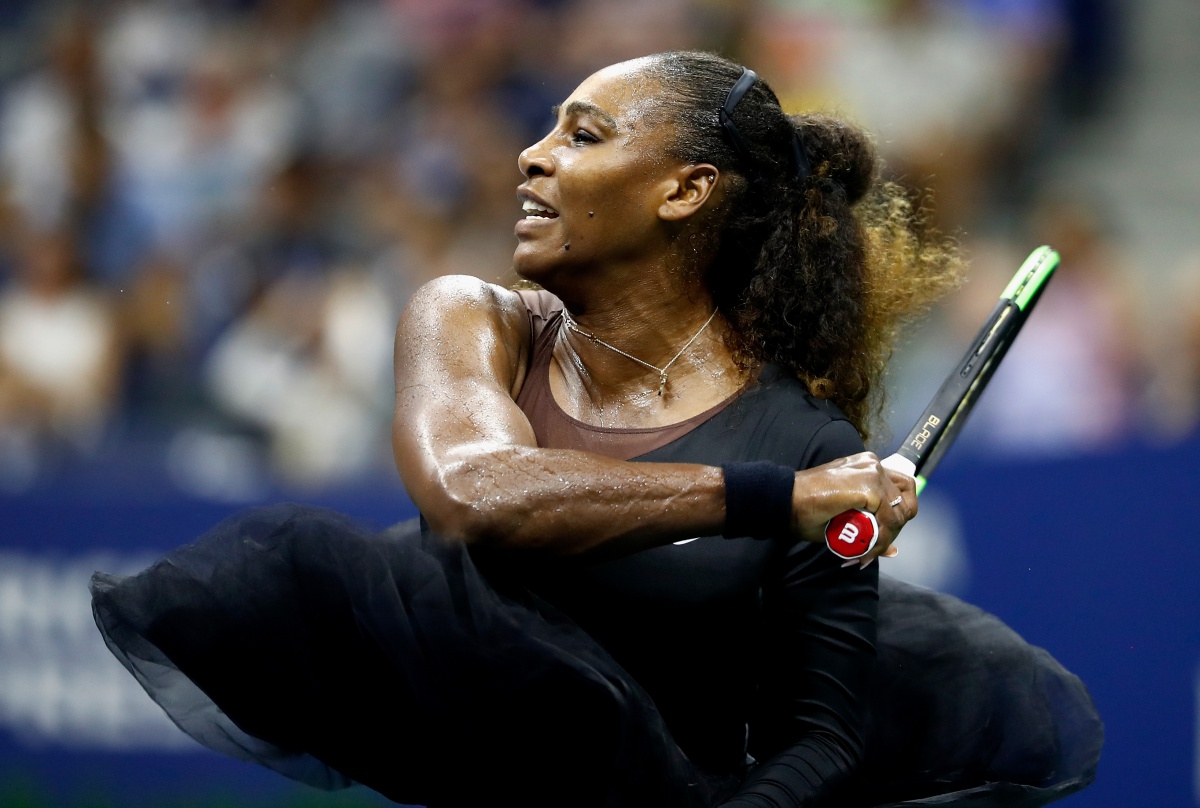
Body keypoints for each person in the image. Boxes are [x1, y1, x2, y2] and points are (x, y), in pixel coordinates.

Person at [91, 51, 1101, 807]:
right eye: (547, 130)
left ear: (684, 191)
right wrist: (769, 504)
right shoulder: (470, 318)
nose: (530, 156)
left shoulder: (807, 443)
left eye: (582, 135)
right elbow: (471, 494)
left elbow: (819, 734)